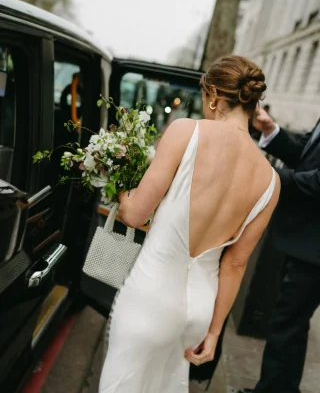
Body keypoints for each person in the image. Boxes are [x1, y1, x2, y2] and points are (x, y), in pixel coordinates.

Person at [98, 55, 280, 393]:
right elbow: (236, 265)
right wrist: (213, 333)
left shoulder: (186, 131)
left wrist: (122, 190)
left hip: (150, 299)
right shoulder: (271, 180)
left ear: (212, 94)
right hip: (200, 311)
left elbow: (135, 215)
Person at [238, 110, 320, 393]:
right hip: (303, 240)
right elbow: (304, 154)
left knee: (286, 323)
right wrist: (270, 128)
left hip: (314, 248)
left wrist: (270, 177)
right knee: (291, 325)